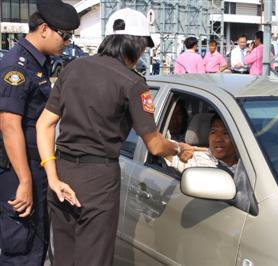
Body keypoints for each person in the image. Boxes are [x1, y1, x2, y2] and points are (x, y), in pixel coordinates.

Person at [35, 8, 191, 266]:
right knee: (93, 258)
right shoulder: (133, 83)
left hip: (61, 174)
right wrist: (178, 147)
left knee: (63, 258)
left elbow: (44, 125)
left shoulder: (73, 68)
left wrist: (52, 176)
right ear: (136, 45)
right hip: (98, 180)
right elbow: (154, 145)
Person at [0, 0, 79, 265]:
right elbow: (9, 125)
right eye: (65, 35)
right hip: (18, 169)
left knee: (36, 245)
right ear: (44, 29)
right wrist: (24, 181)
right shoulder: (18, 67)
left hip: (34, 166)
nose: (67, 42)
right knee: (21, 249)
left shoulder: (39, 62)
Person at [165, 114, 238, 175]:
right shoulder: (197, 159)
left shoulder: (245, 161)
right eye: (213, 132)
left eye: (225, 133)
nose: (218, 139)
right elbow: (160, 147)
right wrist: (179, 146)